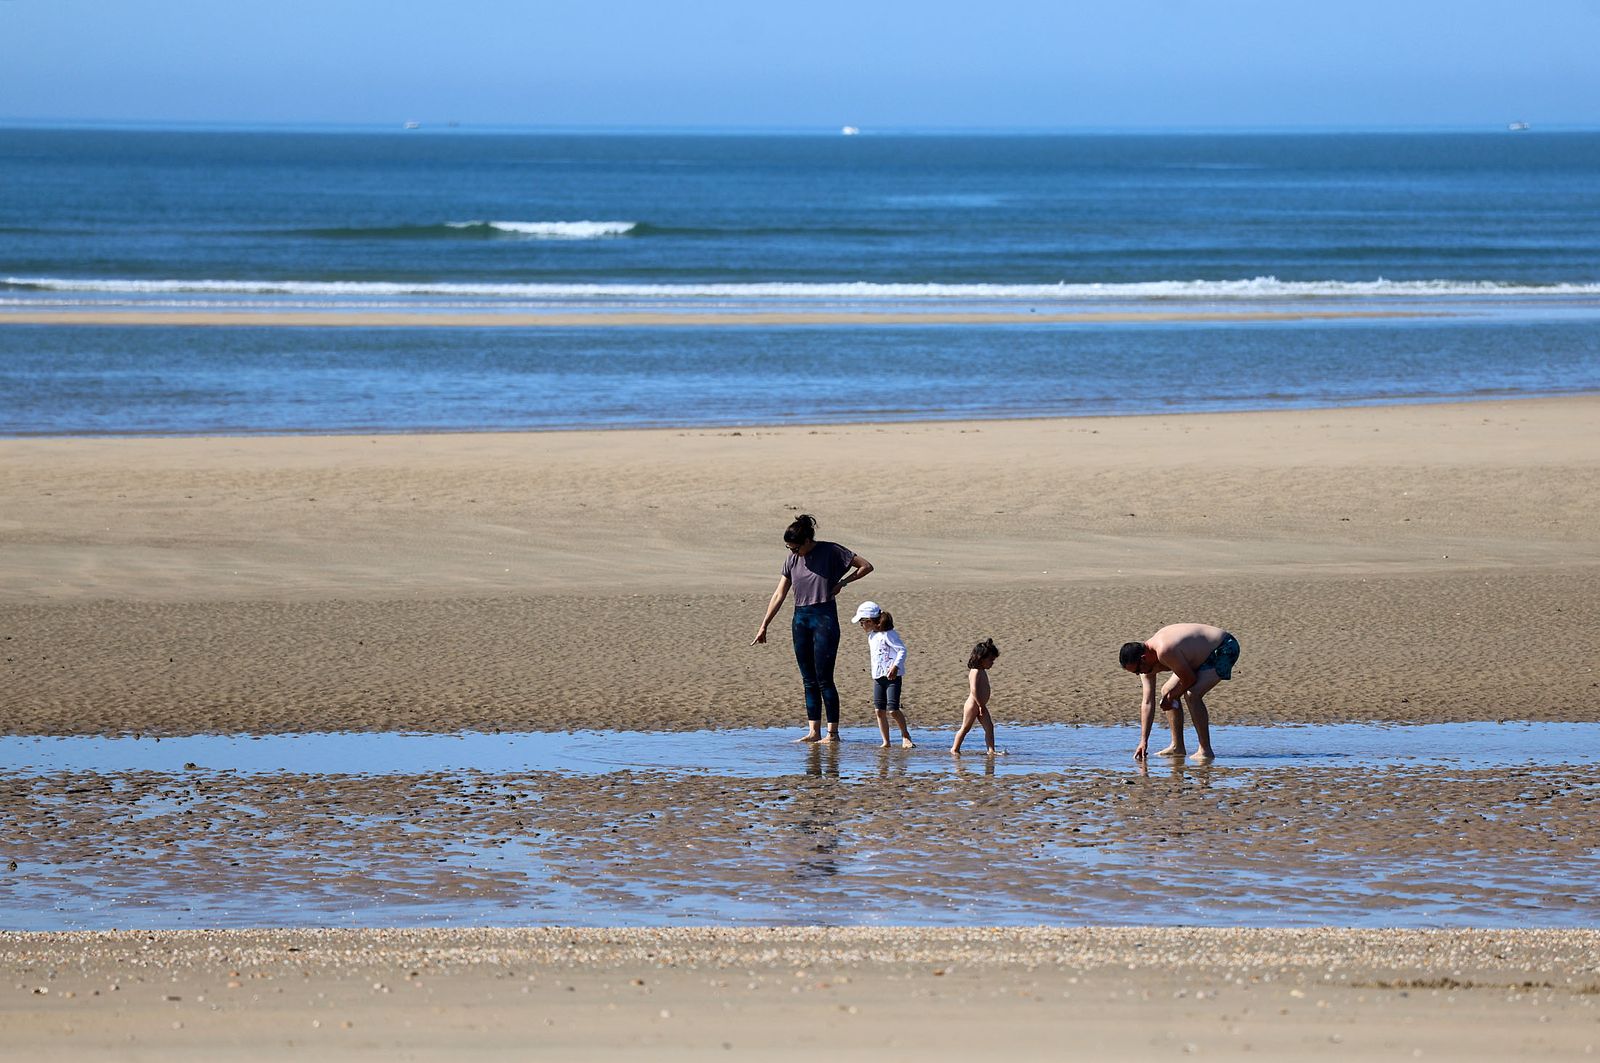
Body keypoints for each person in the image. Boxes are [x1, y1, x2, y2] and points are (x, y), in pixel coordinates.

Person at [751, 514, 873, 742]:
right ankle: (813, 732)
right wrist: (764, 625)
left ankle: (832, 733)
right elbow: (779, 593)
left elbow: (866, 566)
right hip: (800, 619)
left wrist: (842, 583)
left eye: (796, 548)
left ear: (808, 540)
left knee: (824, 678)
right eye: (789, 548)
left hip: (824, 617)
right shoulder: (791, 560)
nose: (793, 552)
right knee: (808, 679)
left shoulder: (831, 551)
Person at [1118, 623, 1240, 762]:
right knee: (1166, 690)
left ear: (1143, 658)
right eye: (1135, 673)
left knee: (1192, 694)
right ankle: (1177, 746)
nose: (1139, 674)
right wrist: (1143, 741)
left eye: (1138, 670)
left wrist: (1172, 697)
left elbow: (1189, 679)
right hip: (1197, 656)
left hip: (1224, 647)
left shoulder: (1164, 650)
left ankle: (1205, 751)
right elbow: (1147, 703)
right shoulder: (1144, 665)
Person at [850, 601, 915, 749]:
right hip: (878, 677)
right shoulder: (872, 636)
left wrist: (895, 666)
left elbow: (902, 650)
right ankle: (886, 741)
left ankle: (905, 735)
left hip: (892, 677)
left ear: (869, 621)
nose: (861, 626)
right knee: (879, 710)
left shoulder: (889, 634)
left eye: (862, 622)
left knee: (893, 709)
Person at [951, 637, 1003, 756]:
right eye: (990, 660)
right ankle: (955, 748)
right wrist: (980, 705)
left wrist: (982, 705)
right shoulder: (975, 671)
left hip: (981, 705)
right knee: (965, 727)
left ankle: (991, 750)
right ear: (981, 658)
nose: (992, 663)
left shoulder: (982, 670)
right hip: (973, 705)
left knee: (989, 727)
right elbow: (974, 689)